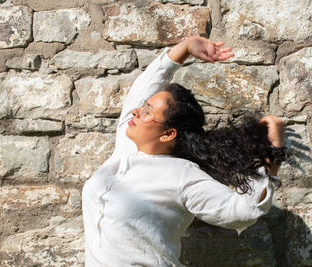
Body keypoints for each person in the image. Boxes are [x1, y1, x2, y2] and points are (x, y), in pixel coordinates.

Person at [82, 36, 286, 266]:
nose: (136, 112)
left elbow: (242, 211)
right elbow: (145, 86)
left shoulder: (182, 175)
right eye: (143, 107)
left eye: (148, 111)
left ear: (168, 134)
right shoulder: (126, 147)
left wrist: (273, 151)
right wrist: (186, 47)